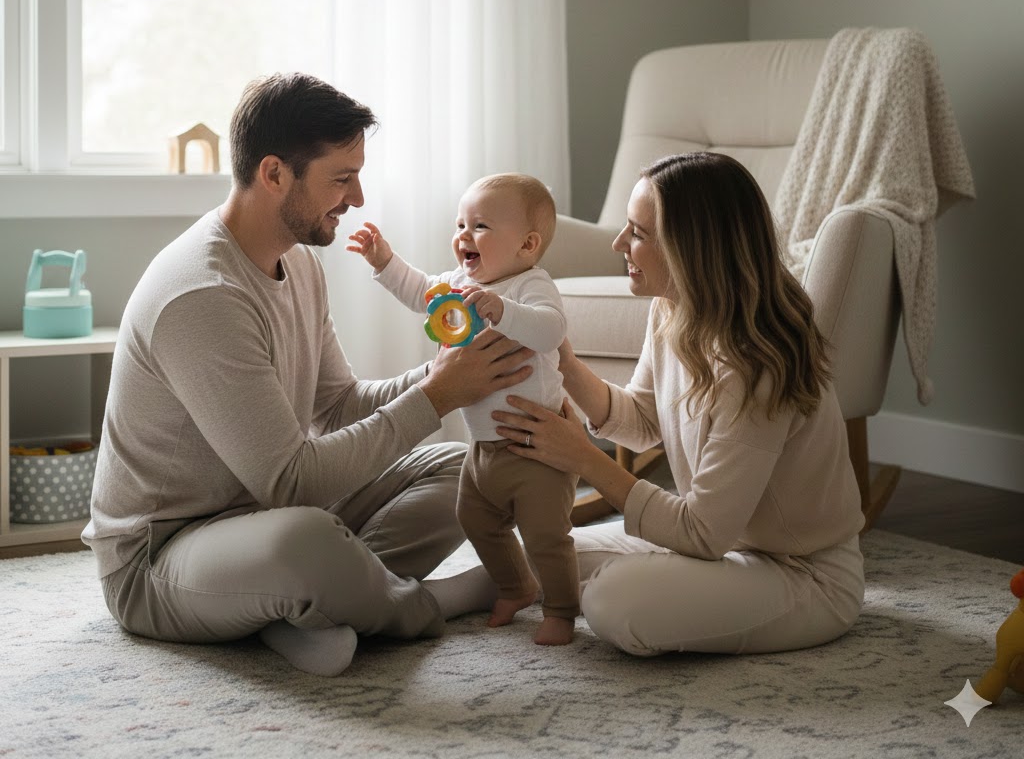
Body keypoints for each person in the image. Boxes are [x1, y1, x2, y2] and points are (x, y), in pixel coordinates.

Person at [82, 72, 535, 677]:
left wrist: (446, 374)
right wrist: (435, 396)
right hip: (160, 558)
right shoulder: (202, 295)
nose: (358, 199)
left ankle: (308, 607)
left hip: (265, 518)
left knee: (468, 470)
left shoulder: (297, 262)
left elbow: (342, 404)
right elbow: (291, 483)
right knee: (305, 539)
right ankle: (426, 602)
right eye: (341, 179)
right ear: (274, 175)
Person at [490, 151, 866, 657]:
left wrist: (582, 456)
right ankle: (405, 602)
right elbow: (644, 421)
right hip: (716, 551)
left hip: (804, 576)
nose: (620, 244)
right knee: (529, 551)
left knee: (611, 603)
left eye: (638, 233)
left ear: (691, 249)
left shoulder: (758, 364)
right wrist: (560, 359)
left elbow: (703, 532)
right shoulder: (673, 310)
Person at [348, 174, 578, 646]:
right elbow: (420, 291)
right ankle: (516, 586)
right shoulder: (457, 283)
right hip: (485, 448)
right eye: (461, 224)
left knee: (545, 535)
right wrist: (385, 262)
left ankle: (561, 609)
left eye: (481, 226)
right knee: (474, 519)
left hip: (537, 447)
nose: (464, 236)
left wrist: (501, 310)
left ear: (527, 244)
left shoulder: (531, 285)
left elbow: (552, 332)